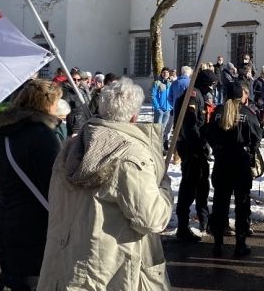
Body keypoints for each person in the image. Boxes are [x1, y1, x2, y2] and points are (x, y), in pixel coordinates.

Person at [38, 78, 173, 290]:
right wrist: (163, 186)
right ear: (134, 116)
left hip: (65, 263)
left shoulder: (71, 147)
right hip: (109, 271)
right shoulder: (131, 156)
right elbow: (152, 219)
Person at [0, 79, 64, 290]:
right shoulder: (41, 136)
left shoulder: (5, 134)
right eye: (56, 102)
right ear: (46, 103)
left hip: (8, 224)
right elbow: (55, 188)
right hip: (36, 231)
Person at [207, 81, 263, 257]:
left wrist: (217, 148)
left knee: (219, 202)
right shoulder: (247, 113)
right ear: (242, 96)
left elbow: (208, 133)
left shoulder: (217, 112)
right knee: (242, 203)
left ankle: (217, 244)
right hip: (240, 162)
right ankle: (240, 244)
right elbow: (257, 136)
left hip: (222, 162)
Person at [174, 70, 216, 241]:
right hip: (191, 149)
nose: (212, 89)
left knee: (202, 185)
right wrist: (199, 148)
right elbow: (190, 126)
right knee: (189, 187)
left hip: (198, 148)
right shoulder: (192, 95)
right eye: (211, 85)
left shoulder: (198, 94)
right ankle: (183, 227)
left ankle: (204, 222)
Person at [62, 70, 91, 136]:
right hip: (74, 126)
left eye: (78, 79)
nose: (76, 81)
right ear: (70, 80)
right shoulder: (67, 92)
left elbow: (87, 105)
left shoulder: (83, 90)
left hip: (84, 123)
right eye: (74, 79)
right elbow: (64, 109)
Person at [151, 67, 173, 150]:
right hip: (159, 110)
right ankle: (155, 147)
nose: (166, 74)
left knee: (163, 129)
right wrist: (157, 107)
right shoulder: (157, 83)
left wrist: (171, 106)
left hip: (167, 110)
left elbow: (172, 95)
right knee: (157, 129)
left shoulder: (170, 83)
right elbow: (153, 95)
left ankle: (160, 148)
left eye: (167, 72)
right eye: (164, 72)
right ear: (161, 73)